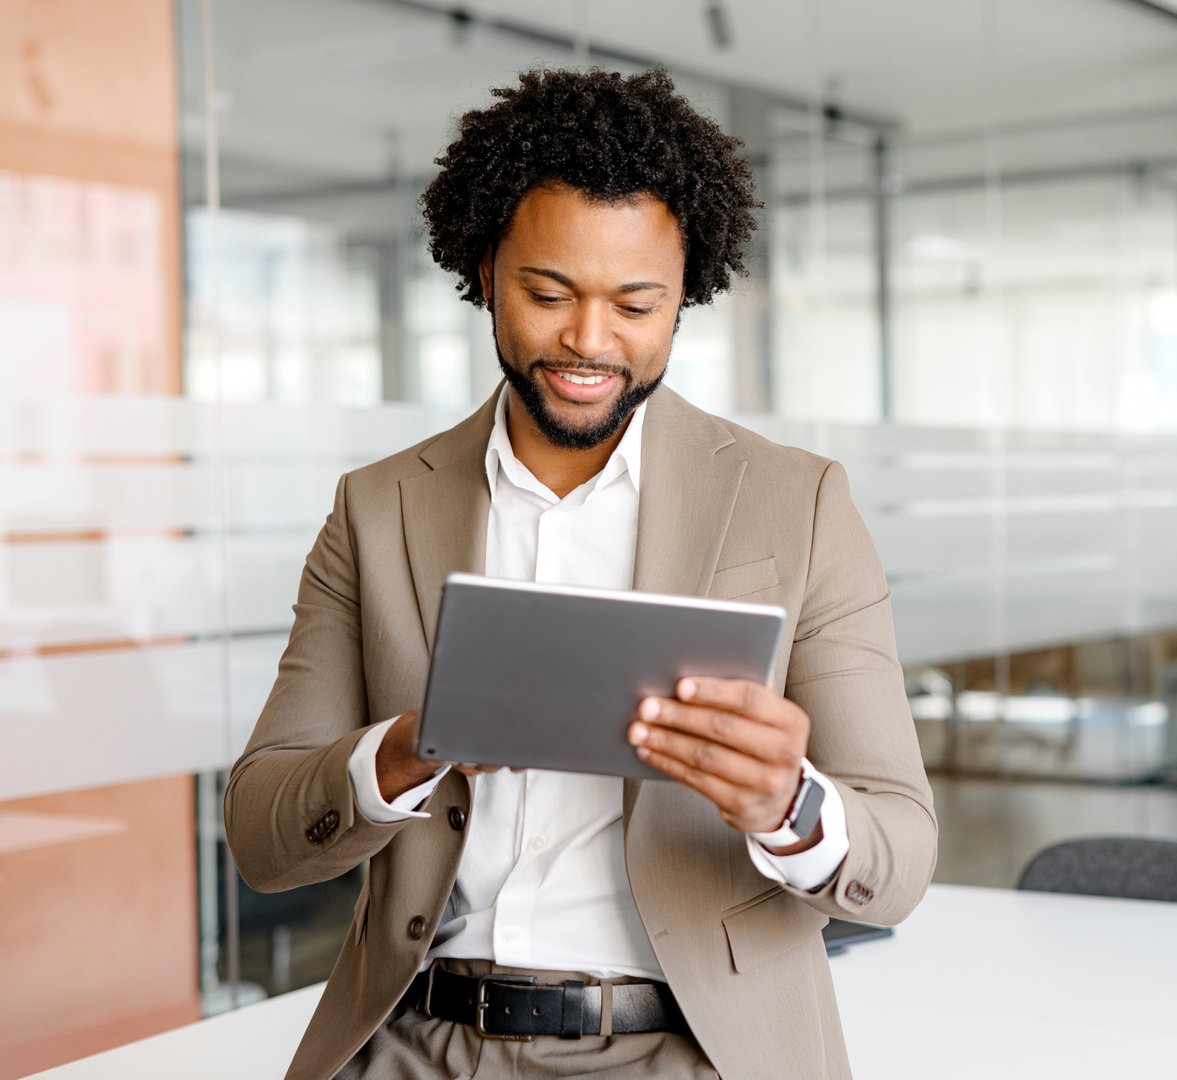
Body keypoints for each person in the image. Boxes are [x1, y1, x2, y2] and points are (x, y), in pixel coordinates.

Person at [224, 67, 936, 1080]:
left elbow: (898, 858)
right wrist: (407, 752)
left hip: (691, 1050)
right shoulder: (378, 508)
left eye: (636, 304)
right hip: (418, 1042)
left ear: (687, 293)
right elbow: (261, 830)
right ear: (485, 270)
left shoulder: (797, 506)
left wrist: (788, 804)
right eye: (548, 293)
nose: (589, 341)